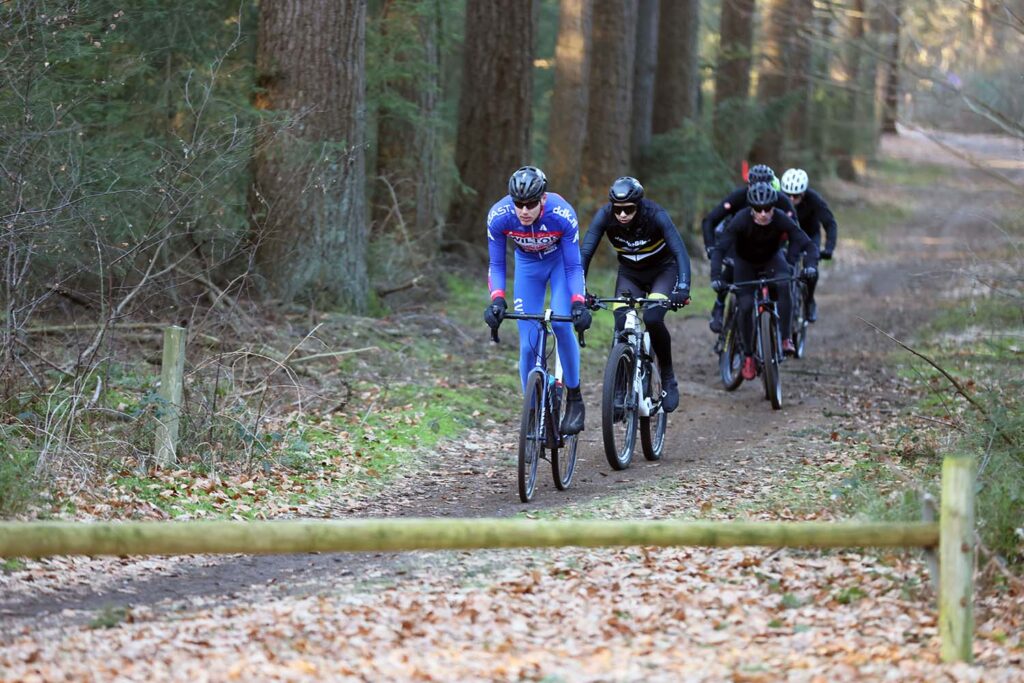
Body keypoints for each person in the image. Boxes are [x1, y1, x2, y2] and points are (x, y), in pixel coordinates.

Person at [484, 166, 591, 434]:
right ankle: (531, 412)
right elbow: (496, 264)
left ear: (543, 198)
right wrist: (497, 298)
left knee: (562, 323)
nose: (524, 210)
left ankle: (575, 397)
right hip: (527, 266)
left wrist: (578, 301)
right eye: (518, 204)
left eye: (531, 203)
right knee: (527, 345)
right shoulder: (499, 216)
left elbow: (573, 267)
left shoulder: (561, 214)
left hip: (559, 265)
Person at [579, 176, 691, 412]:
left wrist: (683, 288)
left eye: (628, 209)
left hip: (663, 271)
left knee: (651, 318)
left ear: (638, 205)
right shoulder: (605, 215)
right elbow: (586, 252)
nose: (622, 215)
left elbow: (680, 251)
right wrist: (579, 291)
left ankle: (668, 375)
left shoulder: (655, 214)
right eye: (618, 209)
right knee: (621, 323)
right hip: (630, 274)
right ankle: (618, 388)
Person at [710, 182, 819, 380]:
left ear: (773, 207)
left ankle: (786, 338)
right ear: (751, 208)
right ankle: (749, 357)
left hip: (772, 260)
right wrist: (716, 277)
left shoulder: (780, 219)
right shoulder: (740, 221)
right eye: (758, 209)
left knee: (784, 284)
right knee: (744, 306)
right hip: (745, 264)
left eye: (767, 209)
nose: (763, 214)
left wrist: (810, 266)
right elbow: (719, 249)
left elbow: (807, 244)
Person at [701, 164, 799, 334]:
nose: (759, 189)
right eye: (753, 185)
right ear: (748, 185)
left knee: (779, 274)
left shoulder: (779, 199)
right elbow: (710, 220)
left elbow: (794, 230)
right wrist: (710, 247)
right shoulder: (738, 197)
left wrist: (790, 256)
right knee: (732, 269)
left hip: (768, 244)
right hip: (737, 241)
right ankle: (719, 307)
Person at [779, 168, 838, 323]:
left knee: (810, 268)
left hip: (809, 236)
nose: (791, 199)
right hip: (786, 236)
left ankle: (809, 300)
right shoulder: (778, 199)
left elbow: (830, 223)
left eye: (796, 196)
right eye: (787, 195)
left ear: (803, 193)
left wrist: (829, 248)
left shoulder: (814, 199)